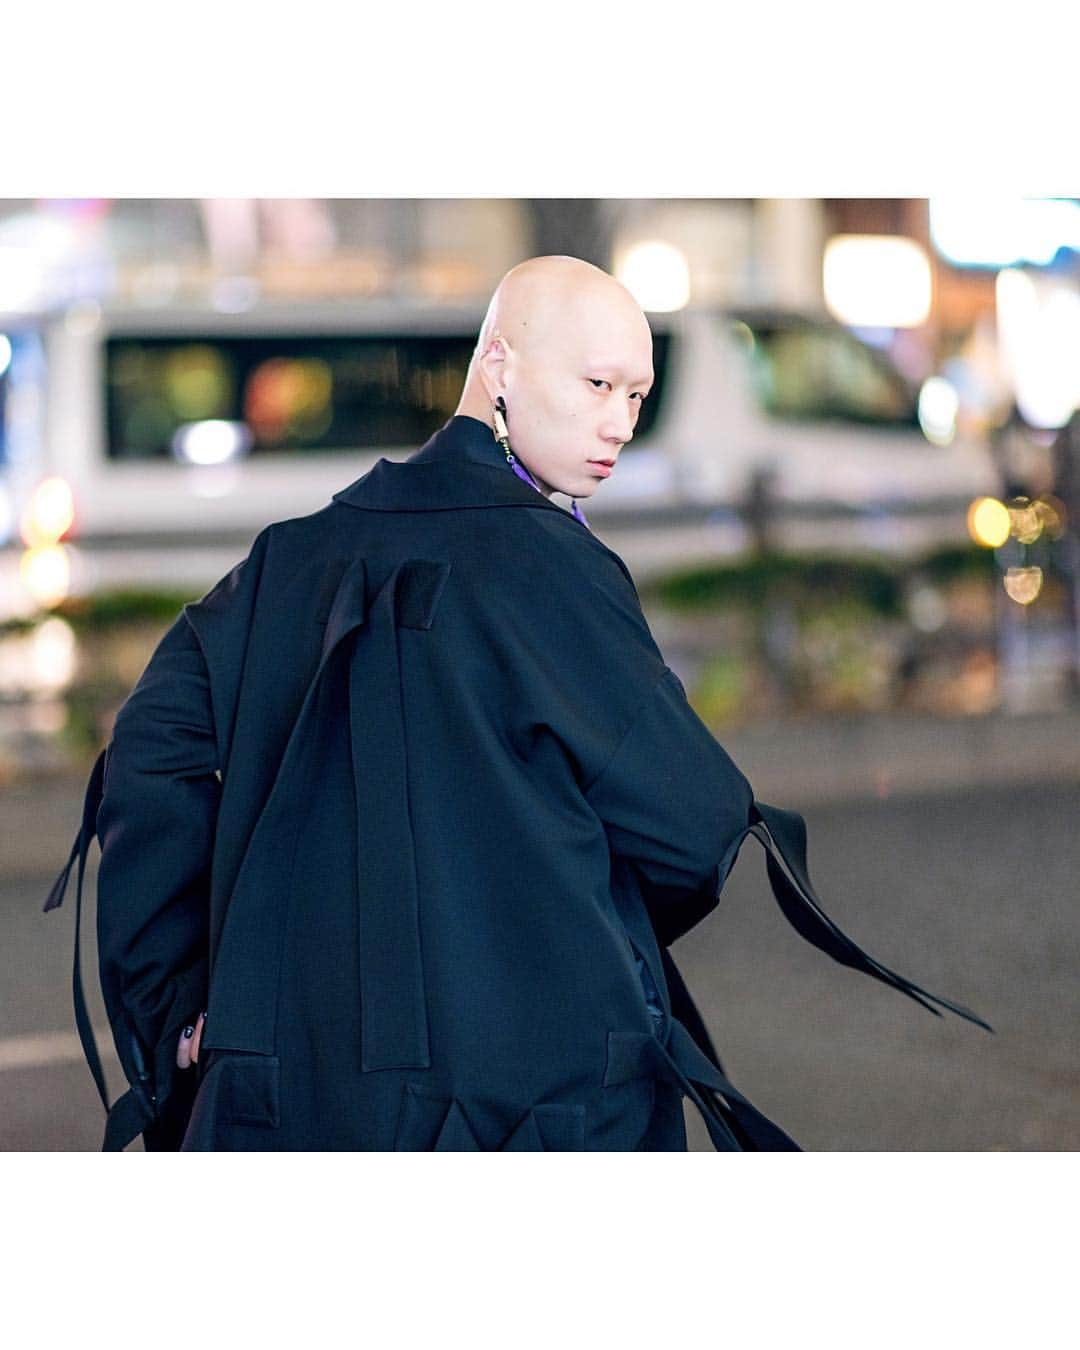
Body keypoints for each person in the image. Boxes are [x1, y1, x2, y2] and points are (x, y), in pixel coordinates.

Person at [44, 255, 992, 1151]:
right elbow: (694, 823)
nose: (620, 421)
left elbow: (148, 757)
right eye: (597, 385)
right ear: (497, 364)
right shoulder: (550, 566)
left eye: (637, 396)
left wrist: (183, 1000)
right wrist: (542, 917)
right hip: (538, 1101)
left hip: (287, 1095)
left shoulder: (285, 560)